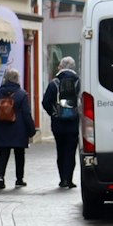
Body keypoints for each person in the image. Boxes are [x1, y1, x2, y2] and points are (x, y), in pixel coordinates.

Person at [0, 68, 35, 190]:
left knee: (3, 153)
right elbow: (26, 114)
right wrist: (31, 129)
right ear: (16, 79)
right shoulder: (22, 94)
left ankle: (0, 177)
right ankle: (19, 179)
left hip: (2, 128)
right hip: (18, 129)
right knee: (19, 154)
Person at [42, 55, 83, 190]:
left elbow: (45, 102)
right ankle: (70, 179)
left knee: (61, 151)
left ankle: (63, 179)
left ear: (61, 66)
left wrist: (54, 114)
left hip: (58, 124)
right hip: (73, 123)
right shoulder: (79, 82)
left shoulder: (54, 83)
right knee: (71, 152)